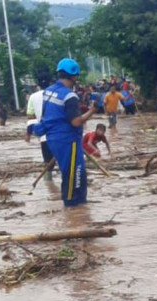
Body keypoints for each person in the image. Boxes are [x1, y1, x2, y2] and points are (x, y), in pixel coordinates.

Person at [27, 58, 96, 207]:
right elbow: (76, 121)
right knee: (74, 174)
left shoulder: (49, 91)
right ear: (74, 76)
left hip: (53, 138)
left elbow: (55, 114)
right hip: (67, 139)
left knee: (73, 173)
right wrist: (92, 111)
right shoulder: (69, 96)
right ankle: (72, 208)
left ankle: (79, 206)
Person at [26, 75, 56, 180]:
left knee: (48, 164)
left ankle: (49, 185)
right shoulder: (58, 94)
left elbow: (30, 116)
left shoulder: (33, 97)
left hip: (44, 136)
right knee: (67, 163)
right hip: (61, 136)